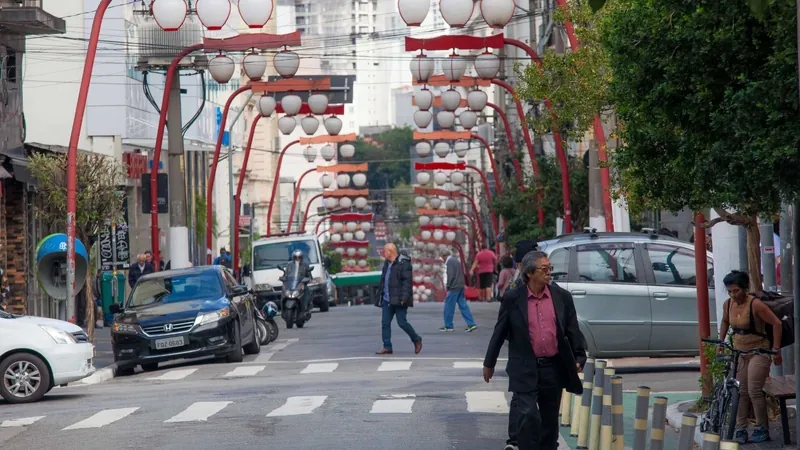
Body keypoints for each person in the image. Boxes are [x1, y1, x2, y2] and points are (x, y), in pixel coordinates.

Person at [483, 251, 587, 450]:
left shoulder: (561, 297)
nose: (549, 273)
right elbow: (499, 331)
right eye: (544, 269)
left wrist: (579, 358)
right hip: (524, 367)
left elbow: (572, 330)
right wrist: (489, 363)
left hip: (553, 367)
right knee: (527, 415)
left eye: (550, 269)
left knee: (549, 420)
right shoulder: (513, 299)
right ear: (529, 273)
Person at [718, 270, 783, 444]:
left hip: (759, 351)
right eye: (730, 291)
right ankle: (740, 429)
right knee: (740, 392)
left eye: (736, 290)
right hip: (740, 352)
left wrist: (776, 349)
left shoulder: (755, 305)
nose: (733, 294)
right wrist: (721, 342)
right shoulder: (728, 304)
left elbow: (776, 323)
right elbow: (725, 321)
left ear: (745, 288)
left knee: (754, 389)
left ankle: (762, 428)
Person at [375, 243, 422, 355]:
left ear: (390, 251)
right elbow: (384, 280)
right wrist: (380, 295)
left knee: (402, 322)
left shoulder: (403, 263)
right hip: (387, 299)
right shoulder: (387, 264)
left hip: (400, 299)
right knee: (385, 323)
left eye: (385, 251)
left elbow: (407, 282)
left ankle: (416, 339)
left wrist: (404, 298)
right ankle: (387, 346)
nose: (383, 253)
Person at [440, 249, 477, 332]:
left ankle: (448, 325)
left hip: (453, 287)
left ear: (444, 256)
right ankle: (471, 324)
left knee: (448, 307)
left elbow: (451, 274)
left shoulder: (449, 262)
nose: (442, 259)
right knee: (463, 306)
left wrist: (448, 285)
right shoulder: (456, 261)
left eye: (442, 257)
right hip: (460, 286)